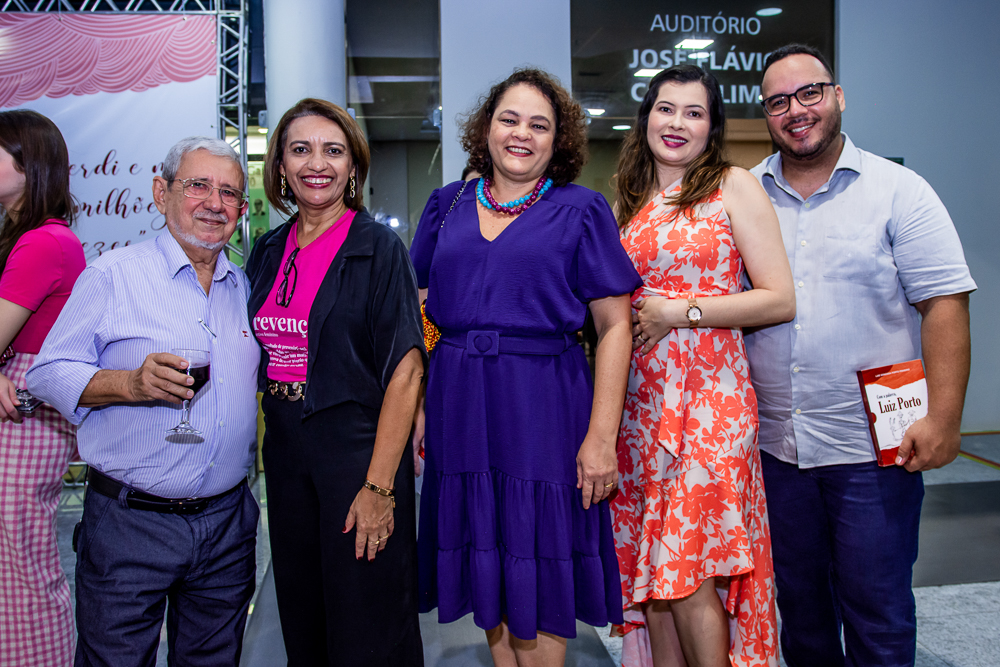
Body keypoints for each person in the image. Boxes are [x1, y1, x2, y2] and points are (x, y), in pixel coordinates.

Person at [746, 44, 976, 666]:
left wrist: (945, 419)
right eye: (778, 102)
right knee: (800, 610)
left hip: (876, 451)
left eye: (810, 93)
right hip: (774, 449)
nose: (796, 111)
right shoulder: (744, 198)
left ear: (838, 96)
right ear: (765, 114)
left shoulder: (901, 191)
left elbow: (946, 304)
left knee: (878, 613)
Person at [411, 68, 640, 667]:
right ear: (485, 129)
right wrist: (419, 405)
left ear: (557, 140)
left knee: (536, 565)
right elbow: (422, 311)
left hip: (543, 406)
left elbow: (616, 327)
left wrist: (601, 436)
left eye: (539, 125)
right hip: (460, 405)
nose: (521, 134)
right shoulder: (446, 206)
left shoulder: (581, 211)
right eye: (509, 119)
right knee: (488, 561)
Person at [26, 136, 261, 666]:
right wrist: (127, 385)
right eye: (198, 185)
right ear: (162, 192)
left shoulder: (243, 287)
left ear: (242, 212)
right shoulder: (112, 276)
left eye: (229, 193)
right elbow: (49, 371)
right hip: (131, 525)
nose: (214, 203)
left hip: (227, 524)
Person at [611, 66, 795, 667]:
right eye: (666, 109)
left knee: (688, 571)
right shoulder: (631, 199)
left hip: (710, 405)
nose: (677, 123)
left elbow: (778, 297)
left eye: (694, 113)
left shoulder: (732, 186)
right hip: (641, 409)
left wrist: (681, 312)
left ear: (712, 127)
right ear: (647, 119)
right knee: (656, 577)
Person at [245, 98, 425, 666]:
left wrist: (379, 486)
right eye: (300, 149)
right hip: (288, 444)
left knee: (365, 617)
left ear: (352, 167)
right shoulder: (268, 250)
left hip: (357, 448)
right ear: (280, 166)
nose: (315, 163)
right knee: (303, 609)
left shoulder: (378, 249)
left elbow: (406, 368)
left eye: (332, 150)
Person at [0, 109, 85, 667]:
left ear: (29, 167)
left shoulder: (42, 244)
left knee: (21, 568)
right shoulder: (31, 238)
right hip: (22, 403)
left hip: (24, 411)